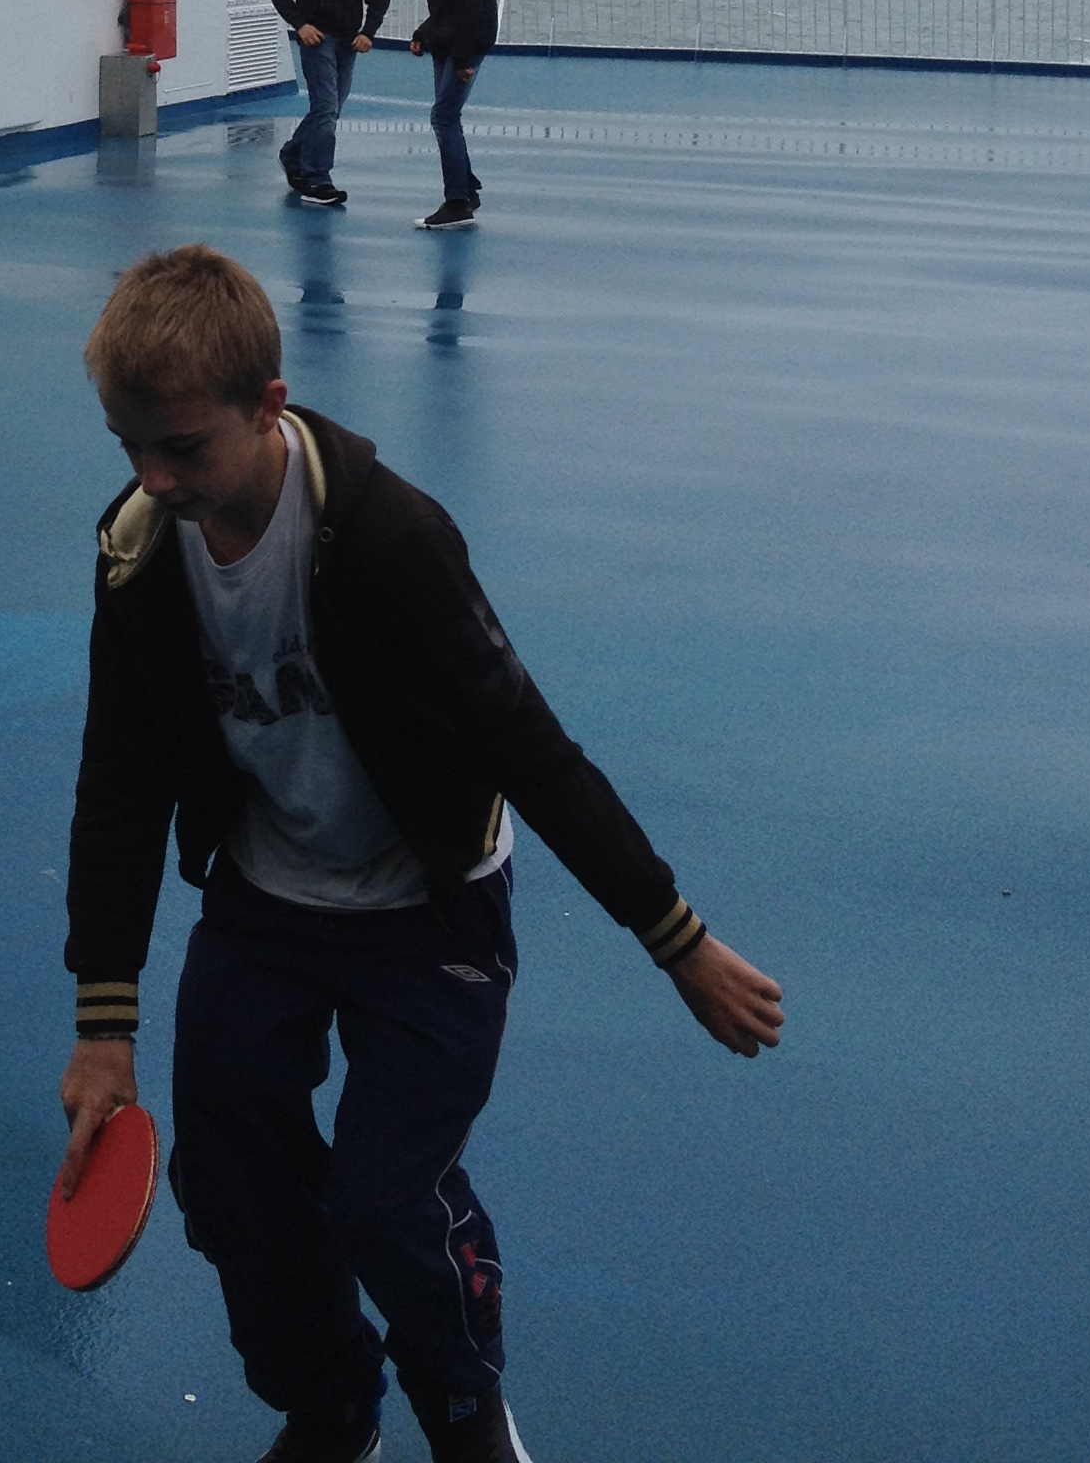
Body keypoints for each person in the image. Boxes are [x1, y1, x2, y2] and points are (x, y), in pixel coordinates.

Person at [56, 247, 782, 1463]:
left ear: (269, 404)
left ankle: (463, 1412)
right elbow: (119, 784)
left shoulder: (389, 540)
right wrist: (102, 1021)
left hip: (425, 908)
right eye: (129, 446)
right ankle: (332, 1409)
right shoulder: (138, 555)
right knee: (230, 1181)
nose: (155, 476)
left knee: (386, 1200)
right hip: (268, 899)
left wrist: (679, 941)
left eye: (182, 446)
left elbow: (527, 744)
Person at [268, 0, 391, 208]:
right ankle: (318, 179)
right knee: (325, 107)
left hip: (349, 40)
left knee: (331, 107)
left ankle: (292, 154)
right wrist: (301, 25)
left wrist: (369, 31)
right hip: (317, 39)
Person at [408, 0, 499, 231]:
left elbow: (469, 0)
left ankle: (458, 202)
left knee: (443, 116)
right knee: (447, 116)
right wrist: (424, 34)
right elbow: (449, 6)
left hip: (463, 45)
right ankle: (467, 189)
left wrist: (462, 59)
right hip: (452, 42)